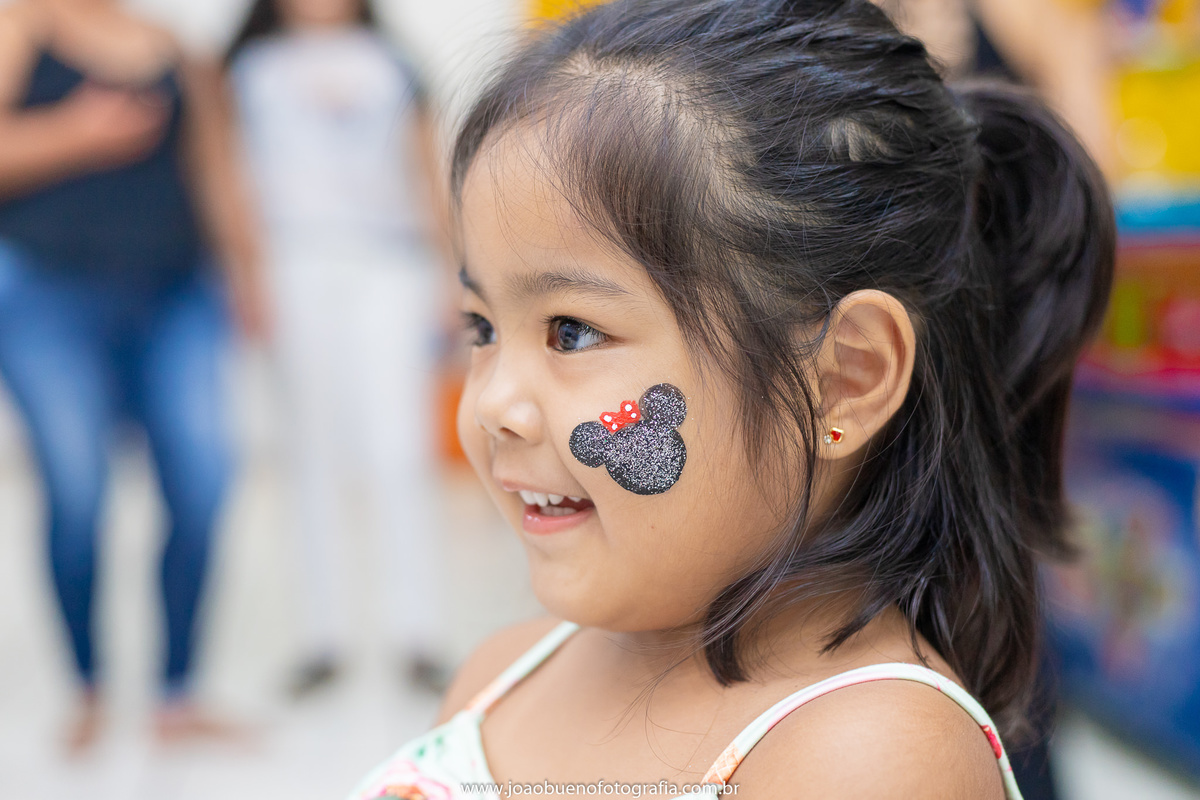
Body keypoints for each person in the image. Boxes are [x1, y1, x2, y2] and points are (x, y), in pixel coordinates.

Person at [348, 0, 1116, 797]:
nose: (493, 404)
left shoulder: (872, 755)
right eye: (481, 326)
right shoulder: (500, 676)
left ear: (845, 379)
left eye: (572, 332)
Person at [0, 0, 261, 750]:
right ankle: (88, 689)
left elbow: (215, 170)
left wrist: (248, 277)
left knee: (204, 481)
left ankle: (177, 694)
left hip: (178, 295)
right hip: (48, 296)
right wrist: (75, 133)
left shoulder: (175, 47)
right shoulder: (20, 28)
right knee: (78, 491)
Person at [224, 0, 452, 697]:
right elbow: (228, 177)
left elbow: (426, 170)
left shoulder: (393, 65)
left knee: (398, 447)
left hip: (389, 264)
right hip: (293, 264)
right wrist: (245, 275)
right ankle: (322, 637)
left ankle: (417, 632)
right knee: (311, 451)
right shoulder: (249, 69)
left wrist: (453, 273)